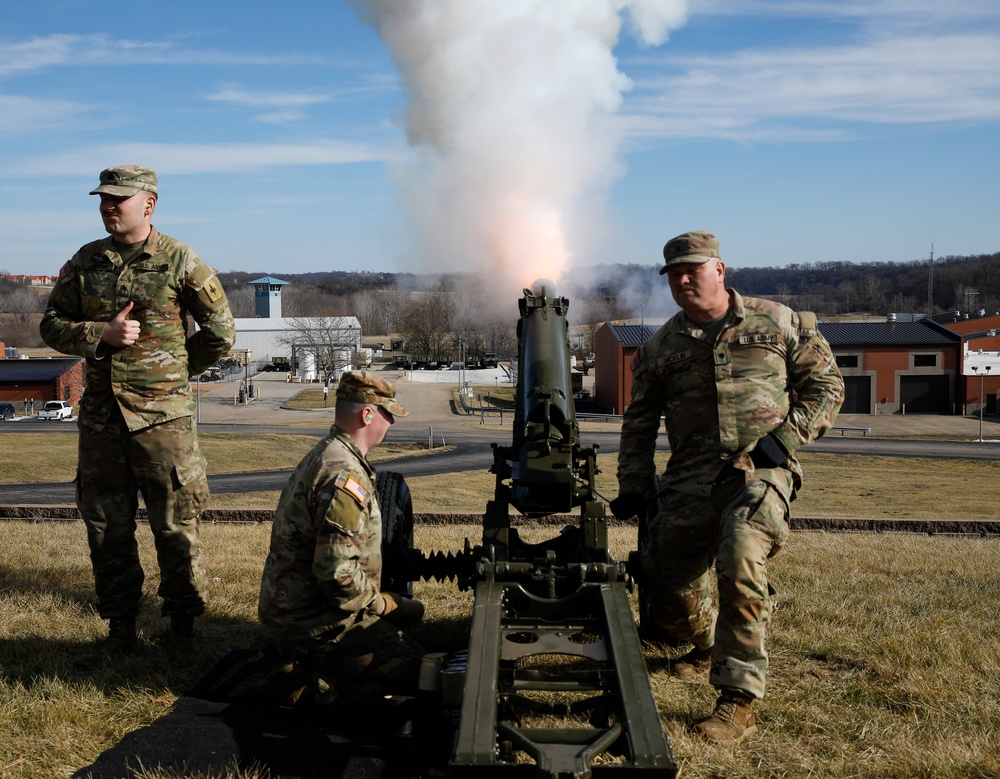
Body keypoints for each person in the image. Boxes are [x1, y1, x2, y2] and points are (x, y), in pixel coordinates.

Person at [612, 231, 844, 742]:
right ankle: (707, 642)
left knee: (739, 558)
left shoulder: (779, 322)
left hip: (758, 472)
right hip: (688, 481)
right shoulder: (658, 348)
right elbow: (640, 422)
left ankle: (737, 699)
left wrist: (783, 440)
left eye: (694, 269)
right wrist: (633, 482)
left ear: (721, 270)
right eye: (674, 273)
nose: (683, 279)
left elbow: (827, 386)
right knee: (666, 589)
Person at [39, 165, 235, 660]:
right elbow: (51, 325)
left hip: (163, 424)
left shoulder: (179, 260)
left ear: (148, 203)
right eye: (103, 199)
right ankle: (120, 631)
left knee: (175, 526)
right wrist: (97, 336)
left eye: (118, 199)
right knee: (107, 529)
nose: (108, 206)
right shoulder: (85, 262)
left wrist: (173, 371)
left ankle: (183, 633)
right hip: (103, 421)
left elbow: (220, 331)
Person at [251, 370, 425, 706]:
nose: (391, 422)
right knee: (421, 673)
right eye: (388, 414)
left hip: (295, 611)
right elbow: (336, 573)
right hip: (313, 625)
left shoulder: (328, 453)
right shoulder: (344, 475)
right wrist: (382, 605)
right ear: (367, 414)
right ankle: (304, 689)